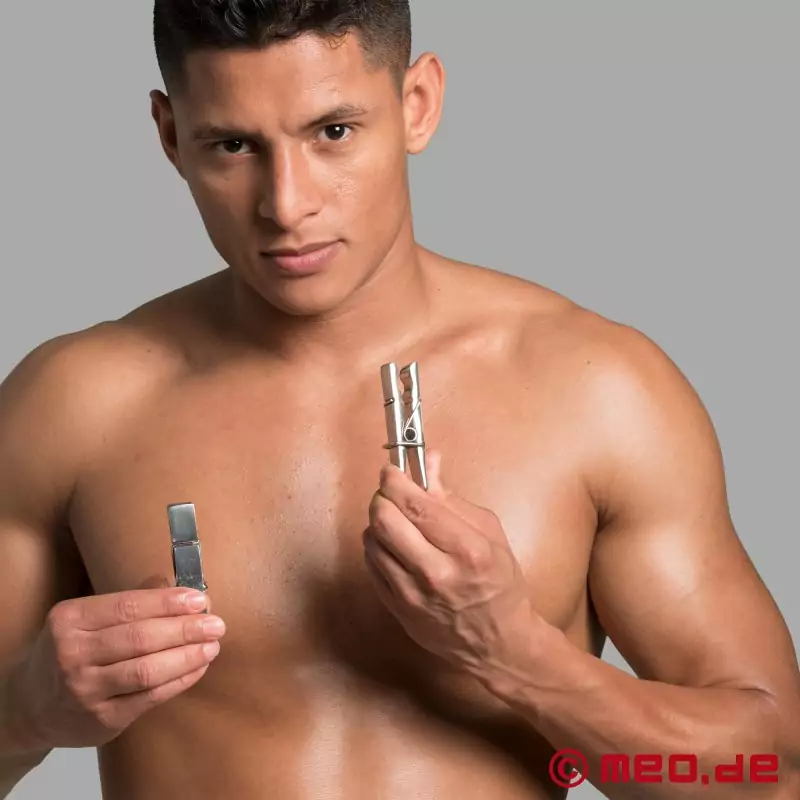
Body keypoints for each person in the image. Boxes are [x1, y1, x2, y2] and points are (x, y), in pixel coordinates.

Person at [1, 2, 798, 798]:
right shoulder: (76, 406)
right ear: (172, 135)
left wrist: (520, 655)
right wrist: (27, 714)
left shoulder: (598, 392)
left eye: (333, 132)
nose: (286, 204)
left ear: (417, 104)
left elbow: (770, 778)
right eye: (234, 145)